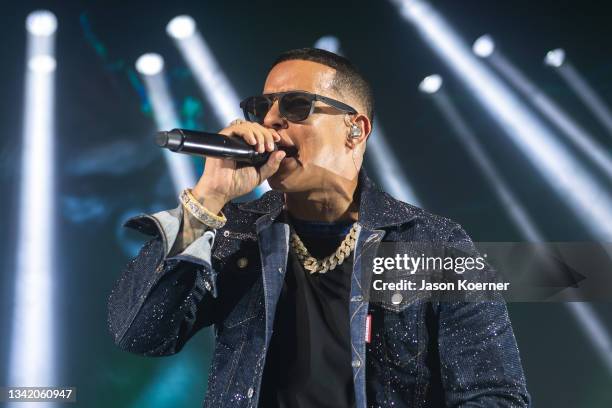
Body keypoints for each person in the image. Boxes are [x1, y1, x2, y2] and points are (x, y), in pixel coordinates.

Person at [107, 48, 531, 407]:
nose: (271, 120)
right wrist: (209, 197)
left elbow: (493, 394)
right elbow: (141, 334)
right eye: (261, 107)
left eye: (295, 106)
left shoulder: (434, 243)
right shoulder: (232, 234)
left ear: (355, 129)